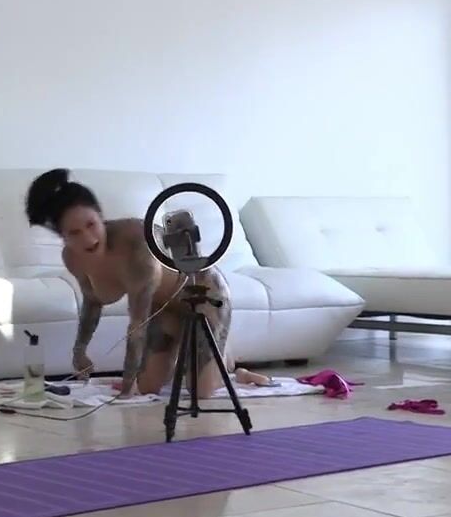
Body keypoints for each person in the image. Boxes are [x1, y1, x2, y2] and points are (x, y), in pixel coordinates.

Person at [24, 169, 270, 398]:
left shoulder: (135, 244)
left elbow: (137, 326)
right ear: (63, 237)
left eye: (91, 225)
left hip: (204, 296)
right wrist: (80, 350)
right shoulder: (73, 259)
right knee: (148, 388)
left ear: (100, 216)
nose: (88, 239)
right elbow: (92, 301)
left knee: (200, 392)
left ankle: (230, 367)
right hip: (163, 308)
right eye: (74, 233)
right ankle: (203, 359)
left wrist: (126, 387)